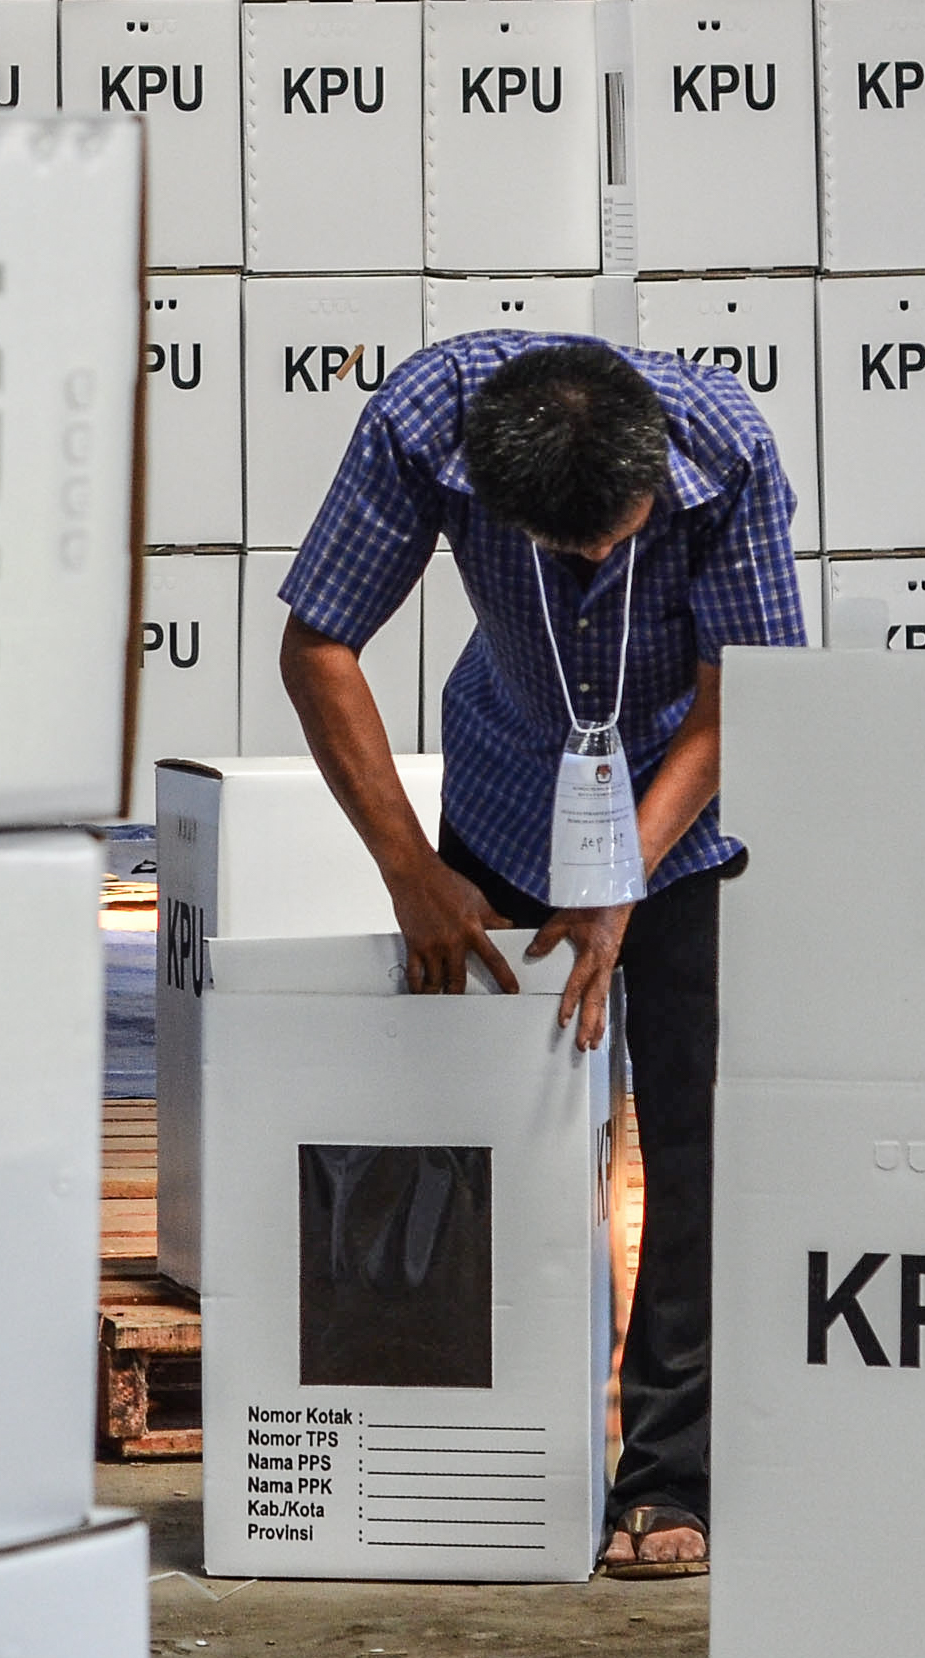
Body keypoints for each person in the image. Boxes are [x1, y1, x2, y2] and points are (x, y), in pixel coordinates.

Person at [273, 334, 804, 1584]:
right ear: (494, 503)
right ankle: (499, 1455)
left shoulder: (723, 448)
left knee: (695, 1143)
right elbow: (318, 648)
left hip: (689, 805)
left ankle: (669, 1476)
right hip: (511, 787)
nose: (602, 565)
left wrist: (622, 876)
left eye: (619, 539)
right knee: (490, 1138)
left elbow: (747, 698)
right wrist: (411, 871)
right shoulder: (424, 421)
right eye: (572, 555)